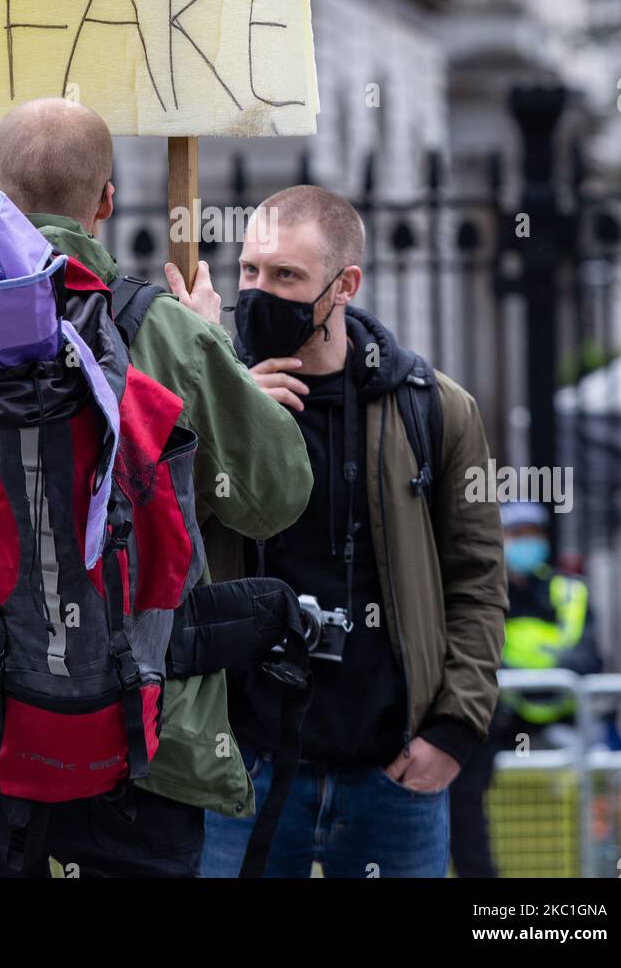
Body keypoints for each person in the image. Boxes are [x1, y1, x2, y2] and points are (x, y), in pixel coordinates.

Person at [0, 99, 313, 878]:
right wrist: (209, 337)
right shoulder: (168, 333)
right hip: (146, 747)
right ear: (106, 201)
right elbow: (276, 493)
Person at [167, 185, 507, 878]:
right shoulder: (208, 400)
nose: (262, 293)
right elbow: (161, 542)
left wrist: (454, 728)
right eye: (251, 273)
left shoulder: (434, 409)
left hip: (391, 773)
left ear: (344, 285)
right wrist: (227, 413)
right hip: (244, 770)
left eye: (288, 276)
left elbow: (476, 580)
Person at [450, 500, 603, 878]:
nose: (526, 543)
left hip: (561, 719)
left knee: (604, 774)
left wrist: (525, 679)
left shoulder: (569, 592)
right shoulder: (482, 592)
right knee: (462, 778)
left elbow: (589, 659)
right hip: (499, 721)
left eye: (533, 534)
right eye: (516, 534)